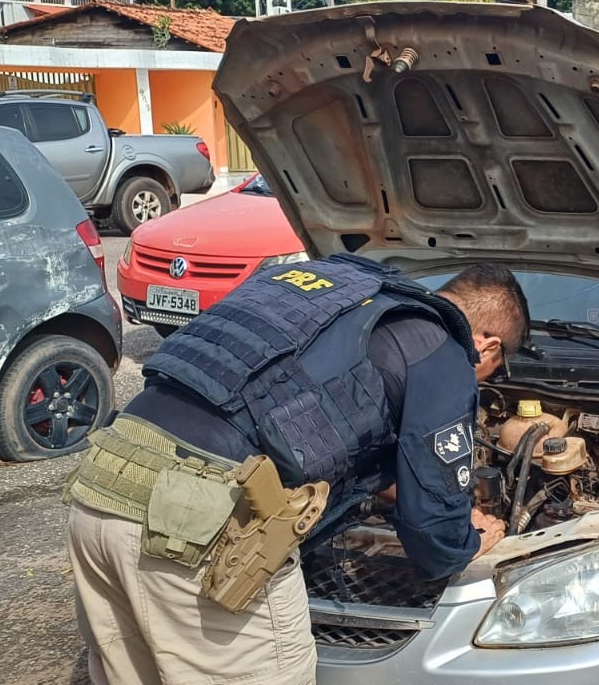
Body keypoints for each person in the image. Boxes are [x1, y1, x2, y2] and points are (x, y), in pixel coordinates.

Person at [62, 254, 528, 685]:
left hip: (103, 485)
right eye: (497, 367)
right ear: (486, 346)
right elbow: (435, 535)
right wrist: (468, 539)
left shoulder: (331, 292)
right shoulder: (443, 350)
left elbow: (302, 417)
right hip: (192, 524)